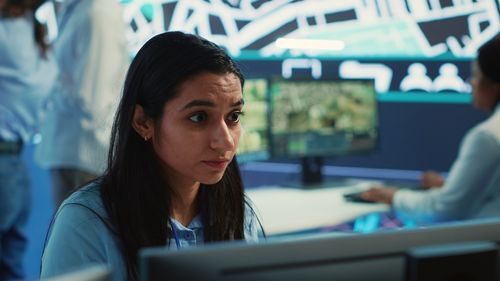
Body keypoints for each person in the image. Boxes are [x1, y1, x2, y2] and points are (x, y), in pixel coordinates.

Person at [40, 31, 265, 281]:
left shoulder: (239, 216)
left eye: (233, 117)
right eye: (199, 117)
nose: (224, 140)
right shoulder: (88, 222)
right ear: (143, 121)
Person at [361, 35, 500, 223]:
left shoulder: (487, 138)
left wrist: (394, 196)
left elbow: (442, 210)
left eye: (476, 75)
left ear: (495, 84)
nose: (471, 82)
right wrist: (450, 188)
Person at [34, 0, 129, 209]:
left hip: (84, 160)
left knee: (77, 240)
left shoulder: (97, 12)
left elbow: (93, 102)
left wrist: (47, 83)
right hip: (74, 157)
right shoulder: (80, 8)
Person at [0, 0, 57, 279]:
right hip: (12, 163)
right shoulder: (32, 34)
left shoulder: (11, 33)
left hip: (8, 163)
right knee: (11, 259)